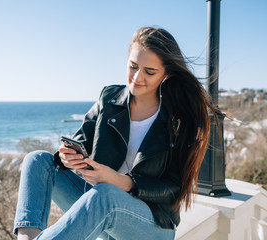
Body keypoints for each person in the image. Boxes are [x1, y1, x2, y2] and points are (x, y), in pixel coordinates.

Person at [13, 26, 216, 240]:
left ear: (166, 73)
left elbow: (174, 189)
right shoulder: (109, 97)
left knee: (106, 194)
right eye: (133, 66)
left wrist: (122, 182)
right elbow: (83, 141)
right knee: (37, 160)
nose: (137, 77)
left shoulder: (179, 118)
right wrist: (68, 157)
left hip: (152, 223)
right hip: (100, 208)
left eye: (149, 71)